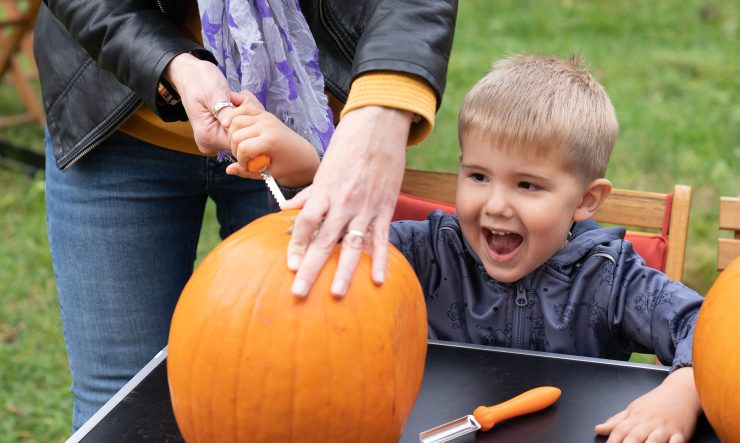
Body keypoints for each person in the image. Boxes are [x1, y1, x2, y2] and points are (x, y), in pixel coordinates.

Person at [34, 0, 456, 430]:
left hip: (299, 133)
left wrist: (382, 110)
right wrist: (171, 62)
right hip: (119, 110)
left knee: (302, 409)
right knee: (121, 406)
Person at [388, 55, 705, 443]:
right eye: (478, 176)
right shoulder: (430, 252)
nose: (495, 205)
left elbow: (708, 325)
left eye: (527, 185)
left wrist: (685, 387)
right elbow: (345, 255)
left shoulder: (610, 278)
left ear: (586, 200)